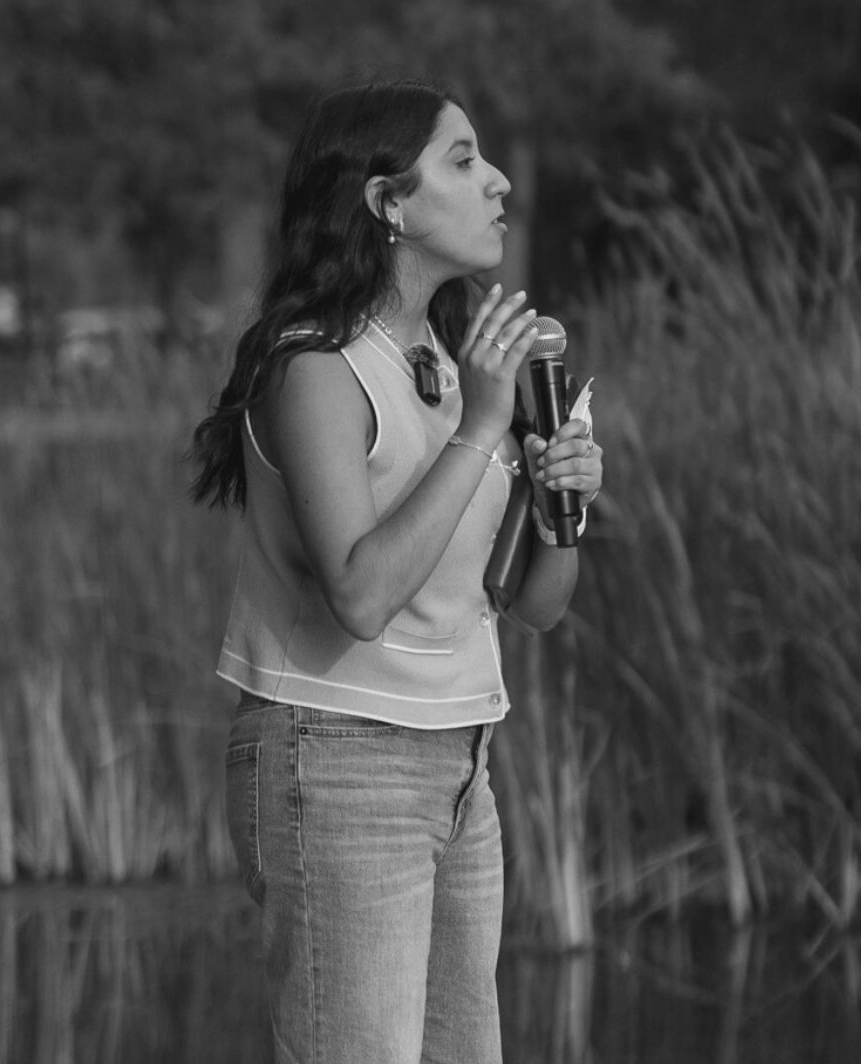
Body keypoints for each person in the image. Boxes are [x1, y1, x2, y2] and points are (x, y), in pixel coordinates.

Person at [187, 79, 603, 1064]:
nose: (498, 182)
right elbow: (362, 595)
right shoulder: (314, 368)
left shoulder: (456, 364)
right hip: (335, 761)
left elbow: (532, 607)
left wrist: (564, 506)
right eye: (463, 161)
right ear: (388, 204)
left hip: (461, 764)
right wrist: (484, 428)